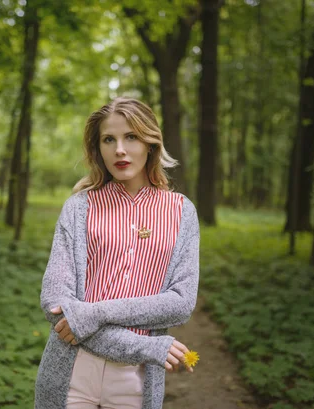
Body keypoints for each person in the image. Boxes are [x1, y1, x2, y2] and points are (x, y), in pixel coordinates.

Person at [34, 97, 200, 409]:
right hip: (71, 372)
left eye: (131, 137)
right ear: (98, 149)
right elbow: (55, 304)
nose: (119, 149)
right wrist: (146, 347)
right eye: (109, 139)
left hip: (135, 384)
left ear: (150, 144)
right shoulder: (79, 207)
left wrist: (93, 313)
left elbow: (181, 302)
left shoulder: (181, 212)